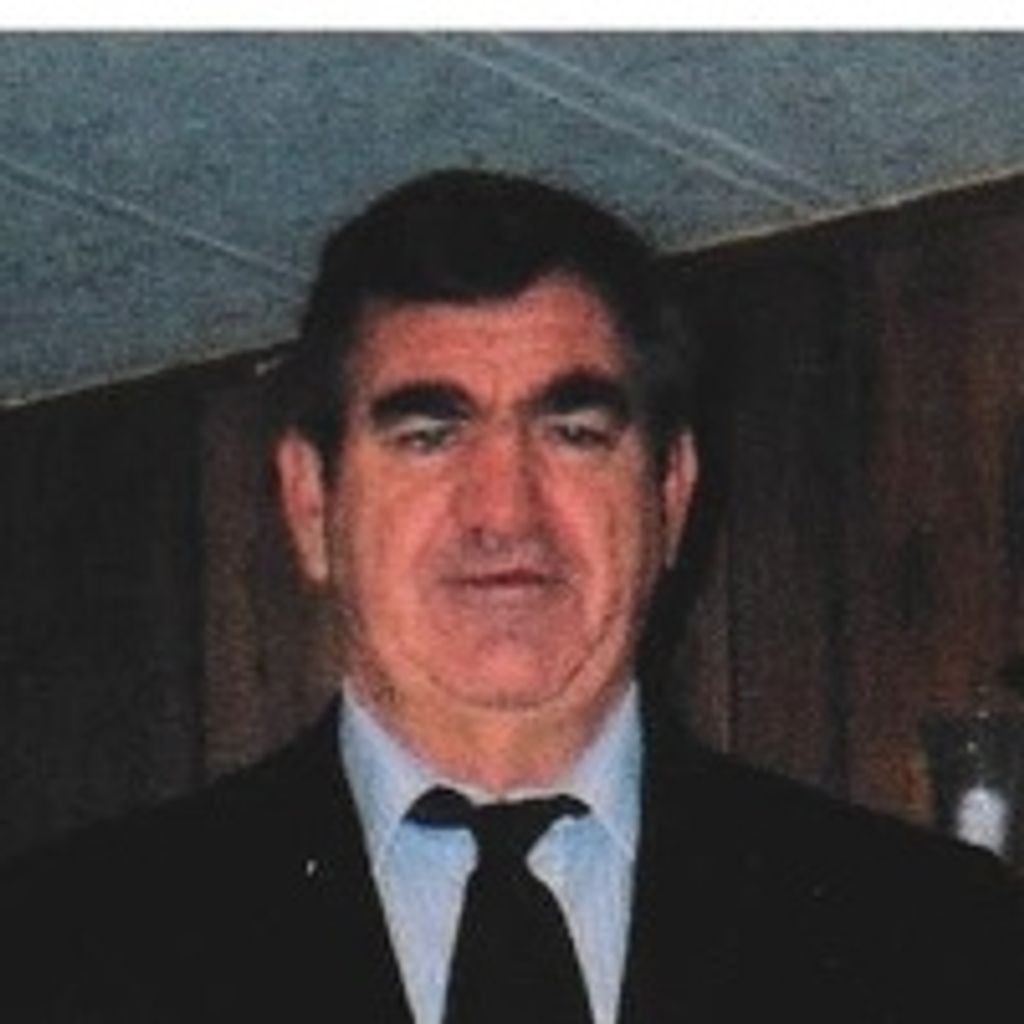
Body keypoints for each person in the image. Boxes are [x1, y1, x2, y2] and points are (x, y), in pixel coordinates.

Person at [1, 169, 1020, 1023]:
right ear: (311, 504)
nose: (504, 511)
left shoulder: (929, 939)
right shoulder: (69, 947)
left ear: (670, 495)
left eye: (573, 433)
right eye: (427, 436)